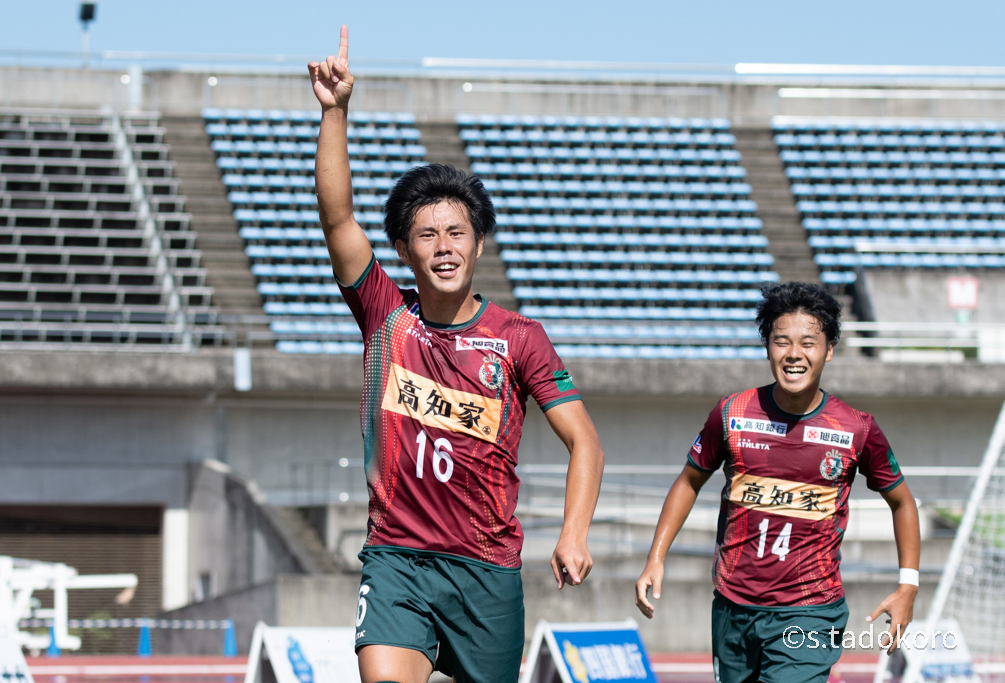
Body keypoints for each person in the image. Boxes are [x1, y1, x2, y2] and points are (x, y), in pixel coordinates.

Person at [307, 26, 605, 683]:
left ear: (477, 245)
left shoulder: (520, 338)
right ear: (404, 250)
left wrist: (574, 532)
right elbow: (337, 220)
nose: (443, 247)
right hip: (398, 561)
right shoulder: (386, 315)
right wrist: (335, 112)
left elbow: (585, 440)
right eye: (426, 235)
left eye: (456, 233)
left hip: (486, 574)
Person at [634, 282, 920, 683]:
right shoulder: (732, 413)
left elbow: (903, 503)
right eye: (781, 341)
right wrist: (656, 557)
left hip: (810, 612)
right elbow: (688, 482)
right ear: (767, 347)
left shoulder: (856, 428)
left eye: (808, 343)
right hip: (732, 608)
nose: (794, 354)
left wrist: (909, 585)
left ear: (829, 350)